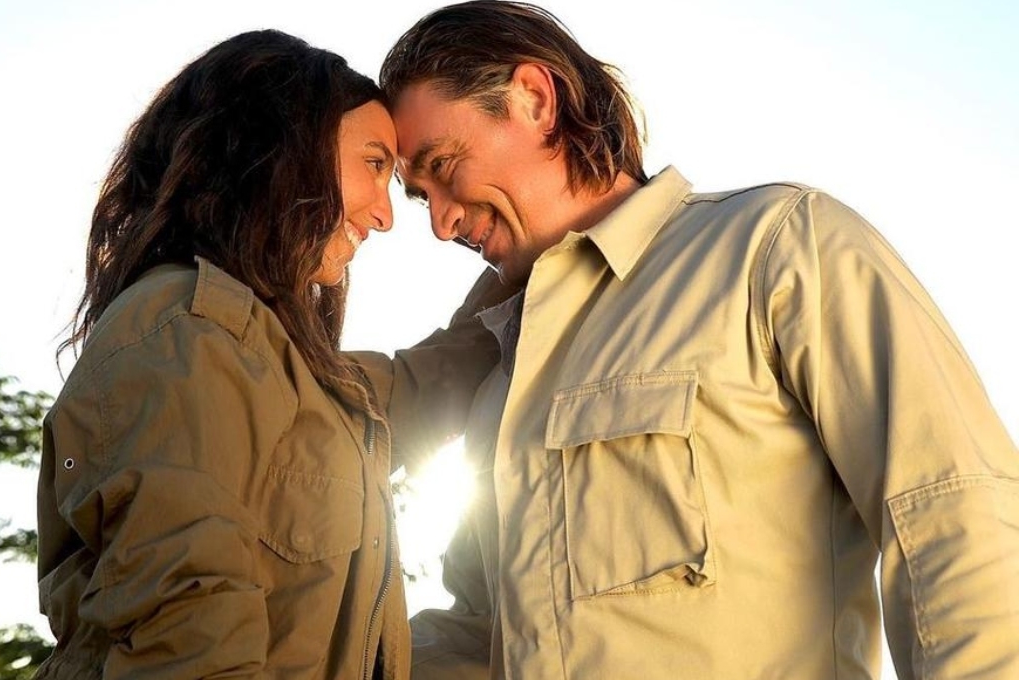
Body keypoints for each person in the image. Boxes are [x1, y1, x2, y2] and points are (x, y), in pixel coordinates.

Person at [378, 2, 1019, 679]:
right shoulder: (500, 375)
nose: (441, 225)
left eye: (443, 165)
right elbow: (484, 634)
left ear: (534, 100)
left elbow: (949, 508)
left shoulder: (775, 248)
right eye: (420, 198)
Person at [34, 29, 506, 679]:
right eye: (374, 164)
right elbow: (194, 648)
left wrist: (545, 258)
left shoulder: (275, 358)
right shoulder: (185, 339)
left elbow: (423, 384)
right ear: (275, 148)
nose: (385, 215)